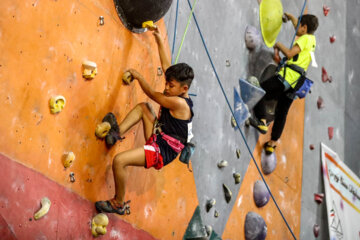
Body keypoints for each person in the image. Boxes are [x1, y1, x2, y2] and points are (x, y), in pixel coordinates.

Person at [95, 27, 195, 215]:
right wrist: (158, 37)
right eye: (167, 83)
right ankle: (115, 133)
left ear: (184, 88)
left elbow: (152, 93)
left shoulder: (179, 104)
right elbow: (166, 66)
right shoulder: (177, 91)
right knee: (143, 108)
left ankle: (118, 203)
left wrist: (138, 75)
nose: (166, 87)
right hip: (161, 135)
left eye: (170, 85)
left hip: (161, 151)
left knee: (119, 161)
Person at [250, 13, 318, 155]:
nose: (296, 28)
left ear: (304, 28)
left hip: (287, 78)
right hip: (297, 83)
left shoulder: (304, 39)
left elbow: (289, 53)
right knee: (282, 112)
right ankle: (272, 143)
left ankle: (262, 121)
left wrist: (278, 44)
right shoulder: (312, 40)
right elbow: (299, 28)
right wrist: (292, 17)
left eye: (299, 25)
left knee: (259, 91)